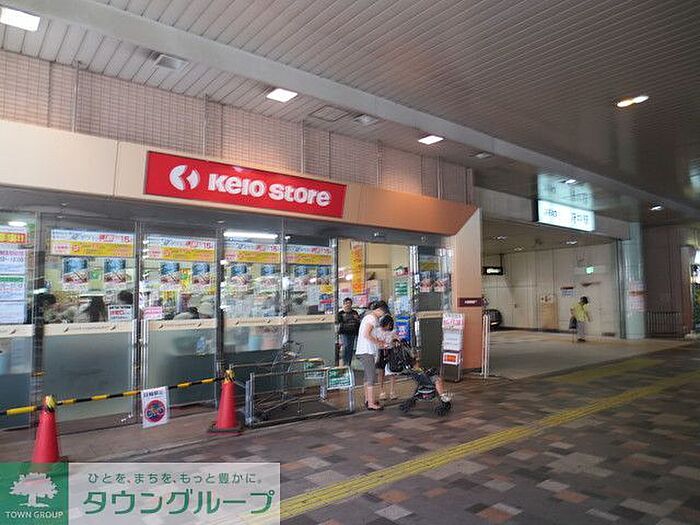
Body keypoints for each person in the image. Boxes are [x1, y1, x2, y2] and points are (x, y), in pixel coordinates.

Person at [355, 300, 389, 411]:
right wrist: (379, 343)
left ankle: (368, 399)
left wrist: (378, 341)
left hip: (364, 350)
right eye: (383, 312)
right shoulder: (372, 318)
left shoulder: (368, 317)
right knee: (371, 377)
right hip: (367, 351)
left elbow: (369, 334)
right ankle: (371, 403)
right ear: (378, 310)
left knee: (367, 377)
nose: (383, 315)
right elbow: (366, 334)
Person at [375, 314, 401, 401]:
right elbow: (374, 340)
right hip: (380, 352)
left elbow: (398, 339)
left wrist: (396, 341)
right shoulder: (377, 330)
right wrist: (380, 343)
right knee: (380, 372)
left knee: (392, 372)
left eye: (389, 325)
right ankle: (381, 391)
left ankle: (392, 391)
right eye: (386, 325)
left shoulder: (393, 331)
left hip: (390, 352)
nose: (387, 327)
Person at [336, 297, 361, 367]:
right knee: (345, 347)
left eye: (349, 303)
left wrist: (357, 319)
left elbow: (358, 321)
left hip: (353, 332)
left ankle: (348, 363)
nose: (348, 305)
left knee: (350, 348)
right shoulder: (341, 313)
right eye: (346, 303)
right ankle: (344, 363)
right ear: (343, 304)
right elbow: (338, 322)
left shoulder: (354, 312)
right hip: (344, 333)